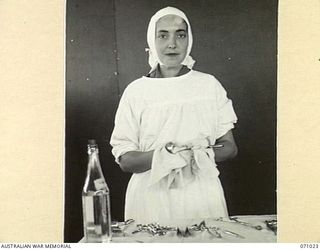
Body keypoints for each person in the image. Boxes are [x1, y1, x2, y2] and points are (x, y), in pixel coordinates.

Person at [110, 6, 238, 224]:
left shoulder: (209, 85)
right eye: (163, 35)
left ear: (189, 40)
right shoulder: (136, 91)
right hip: (151, 198)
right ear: (152, 40)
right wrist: (165, 157)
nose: (172, 43)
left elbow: (229, 147)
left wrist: (197, 155)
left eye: (180, 34)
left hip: (202, 195)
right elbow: (125, 159)